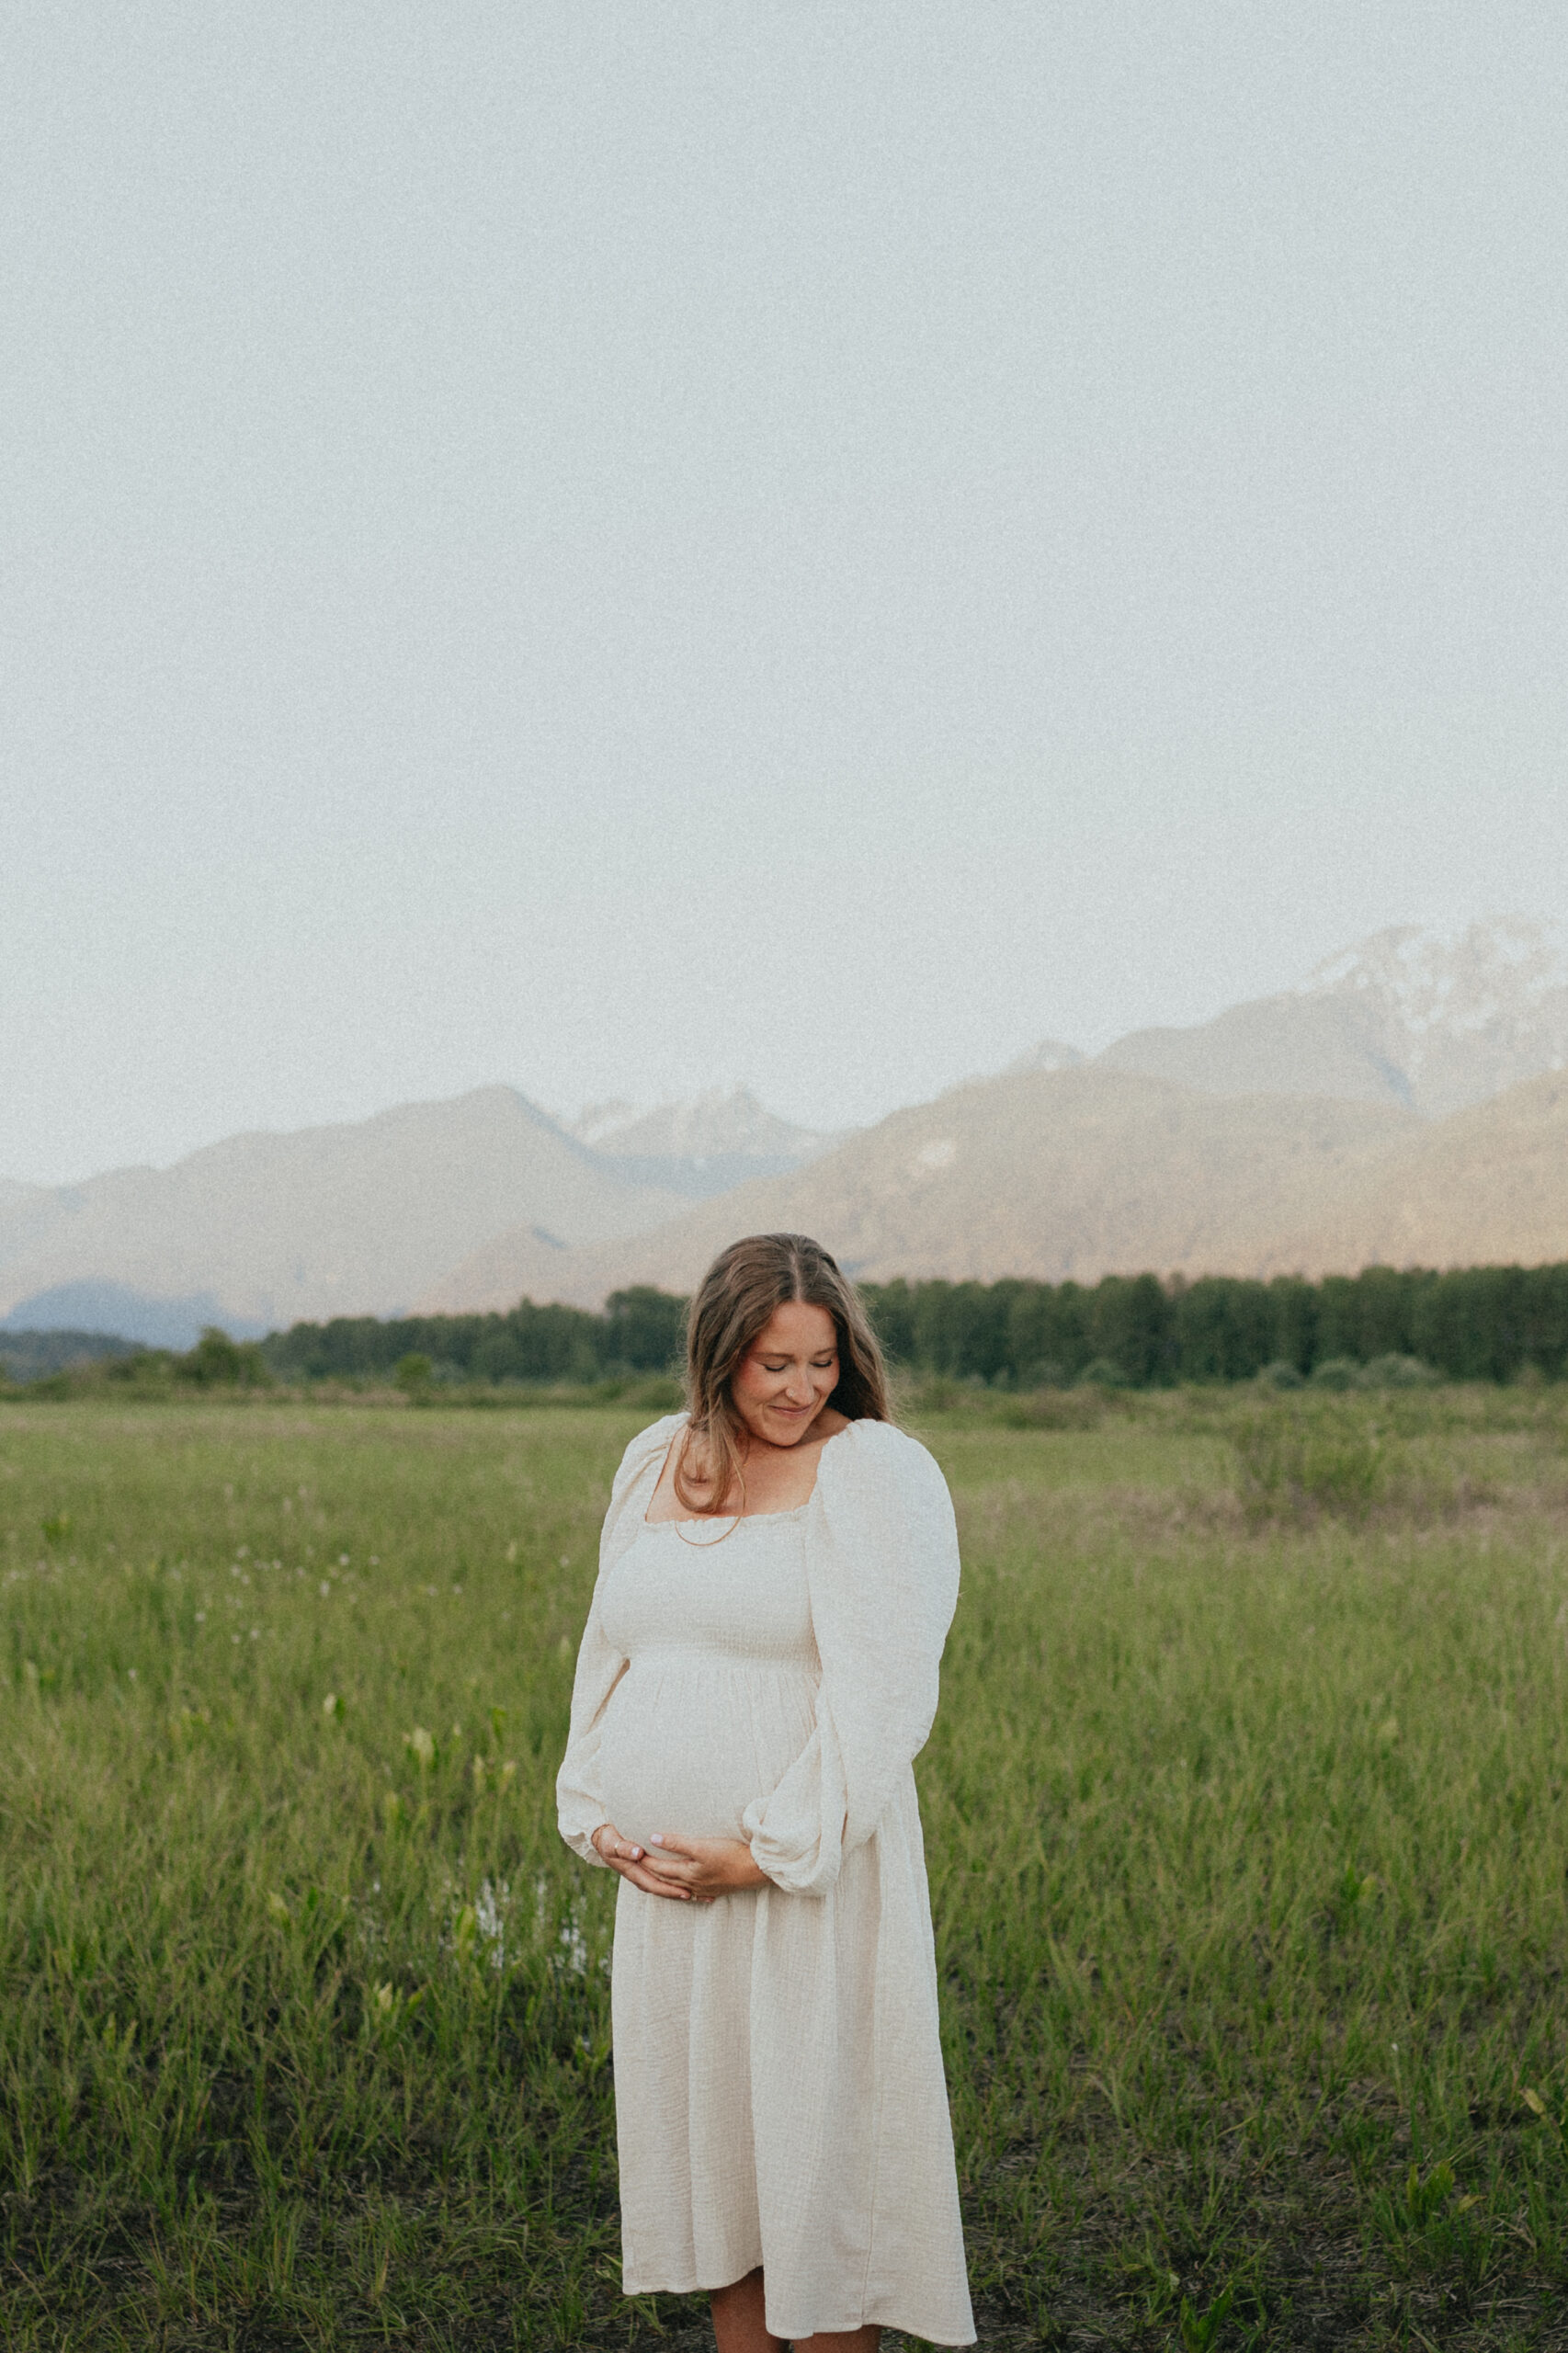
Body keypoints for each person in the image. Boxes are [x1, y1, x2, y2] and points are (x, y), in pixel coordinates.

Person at [557, 1232, 974, 2352]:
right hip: (671, 1901)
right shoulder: (653, 1458)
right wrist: (593, 1814)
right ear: (717, 1353)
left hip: (803, 1886)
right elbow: (611, 1649)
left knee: (819, 2181)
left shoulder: (873, 1471)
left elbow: (883, 1699)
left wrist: (769, 1849)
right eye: (771, 1362)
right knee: (723, 2189)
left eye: (820, 1362)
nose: (799, 1388)